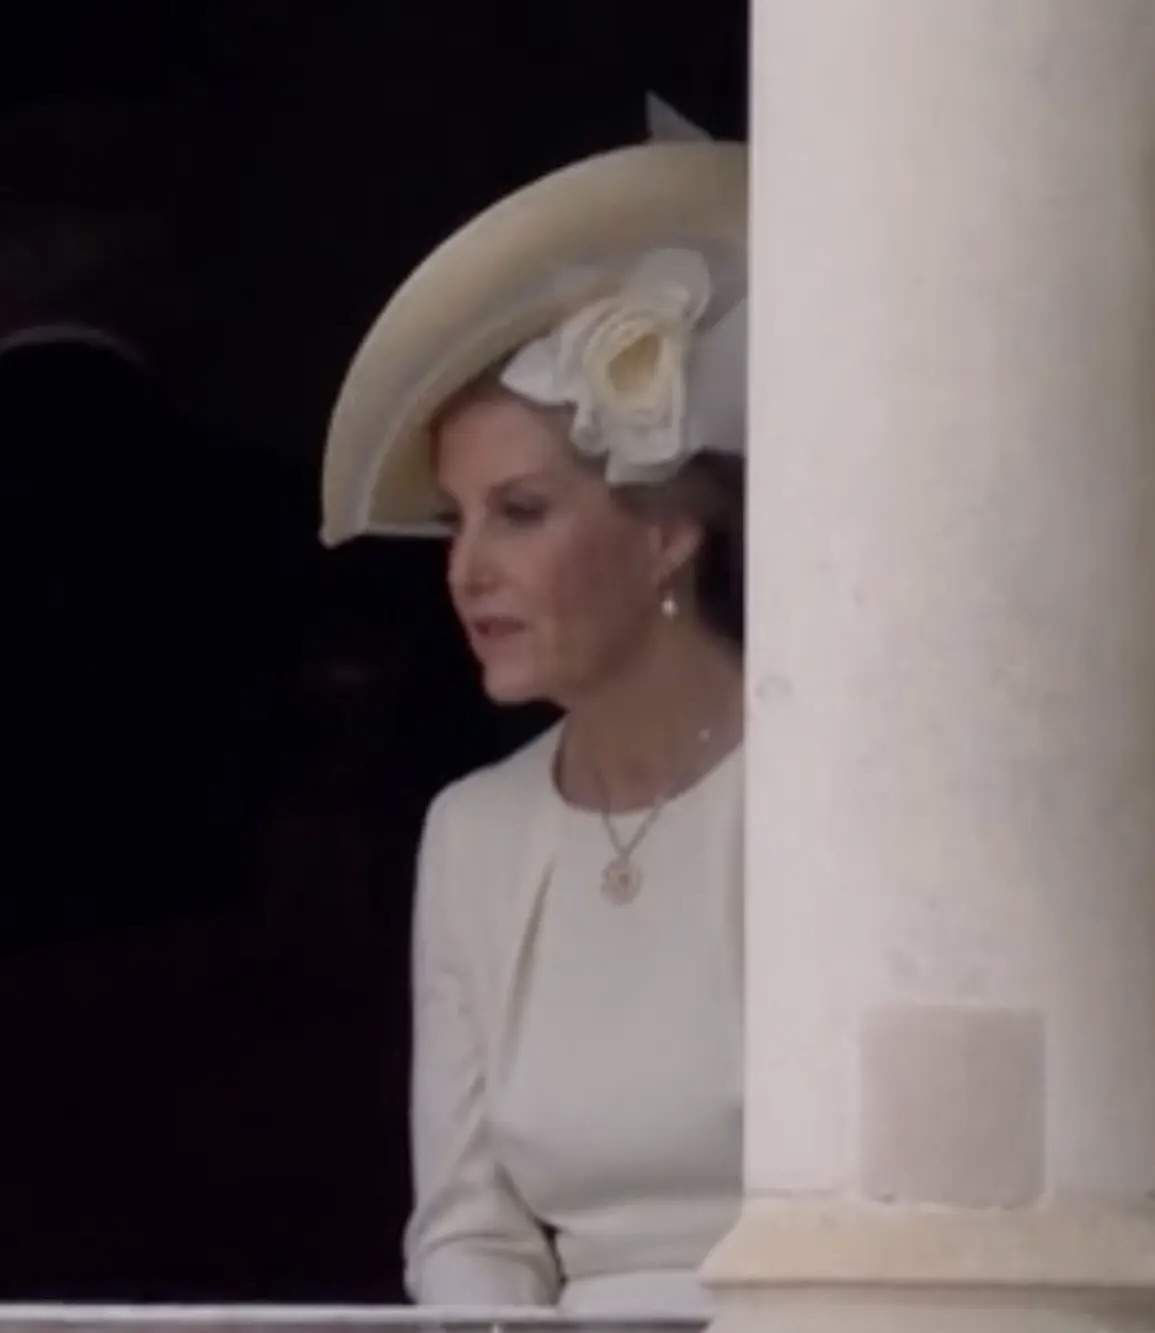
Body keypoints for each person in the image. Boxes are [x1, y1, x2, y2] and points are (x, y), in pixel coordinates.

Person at [320, 137, 750, 1317]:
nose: (466, 570)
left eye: (518, 514)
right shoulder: (474, 829)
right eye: (456, 522)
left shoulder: (815, 791)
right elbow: (467, 1227)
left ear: (667, 533)